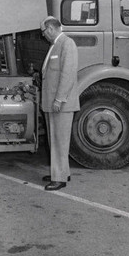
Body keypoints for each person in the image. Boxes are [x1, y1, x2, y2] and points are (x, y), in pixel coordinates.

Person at [40, 16, 79, 191]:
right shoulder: (56, 45)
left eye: (44, 32)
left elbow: (68, 74)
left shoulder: (66, 44)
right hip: (52, 102)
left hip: (60, 103)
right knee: (55, 140)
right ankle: (62, 172)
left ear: (50, 29)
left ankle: (59, 178)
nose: (44, 36)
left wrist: (59, 99)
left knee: (59, 141)